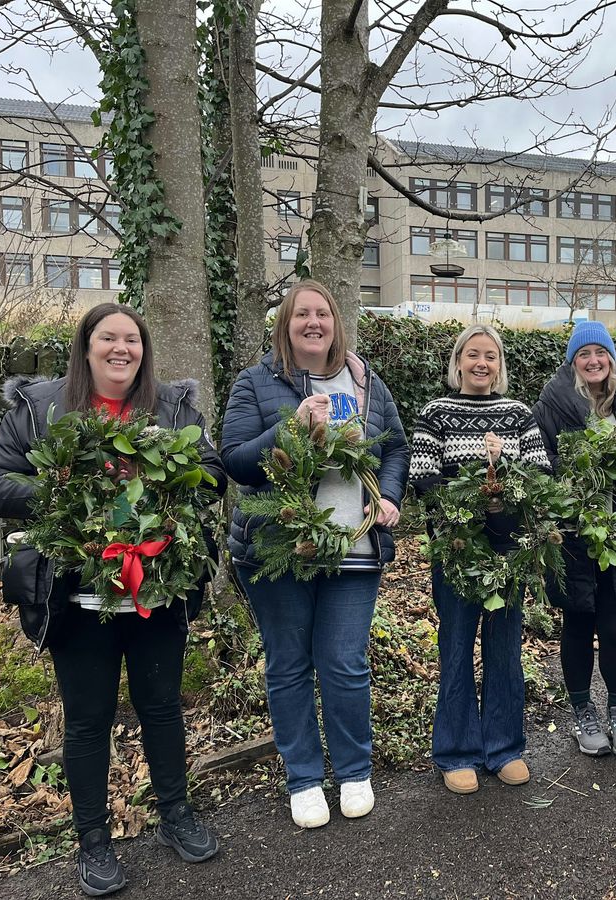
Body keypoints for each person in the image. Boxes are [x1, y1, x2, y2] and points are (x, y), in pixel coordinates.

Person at [0, 302, 224, 897]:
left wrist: (170, 480)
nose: (122, 349)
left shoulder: (173, 408)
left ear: (144, 351)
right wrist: (67, 491)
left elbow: (213, 472)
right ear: (86, 347)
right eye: (108, 338)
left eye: (132, 340)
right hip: (76, 595)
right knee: (89, 721)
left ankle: (175, 814)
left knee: (162, 706)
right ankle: (92, 840)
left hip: (156, 592)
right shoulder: (38, 407)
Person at [220, 280, 409, 828]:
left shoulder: (368, 382)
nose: (312, 323)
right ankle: (303, 778)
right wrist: (290, 427)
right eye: (301, 314)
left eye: (322, 313)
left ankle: (353, 770)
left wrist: (391, 496)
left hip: (353, 548)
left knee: (345, 664)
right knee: (289, 666)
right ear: (285, 323)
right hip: (278, 550)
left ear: (335, 321)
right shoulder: (255, 382)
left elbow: (393, 447)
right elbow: (235, 461)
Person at [408, 325, 551, 794]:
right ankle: (456, 752)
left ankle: (505, 747)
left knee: (505, 647)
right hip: (456, 550)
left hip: (509, 552)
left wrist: (505, 474)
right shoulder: (435, 414)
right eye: (473, 355)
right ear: (459, 362)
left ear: (499, 365)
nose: (482, 363)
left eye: (490, 356)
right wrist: (466, 508)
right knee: (456, 647)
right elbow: (422, 477)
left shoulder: (517, 414)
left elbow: (541, 474)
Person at [532, 321, 616, 759]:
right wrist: (575, 473)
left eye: (600, 353)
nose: (593, 361)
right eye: (584, 354)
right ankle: (583, 712)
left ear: (611, 359)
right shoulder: (552, 403)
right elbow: (538, 456)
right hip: (571, 534)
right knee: (577, 622)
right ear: (573, 362)